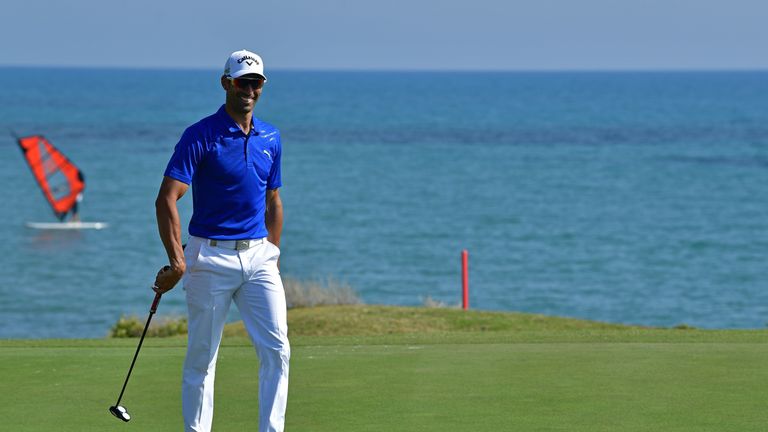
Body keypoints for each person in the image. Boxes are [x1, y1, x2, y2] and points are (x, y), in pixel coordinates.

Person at [153, 49, 289, 432]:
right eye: (242, 81)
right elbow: (167, 198)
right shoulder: (200, 135)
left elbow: (273, 201)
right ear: (226, 82)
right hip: (209, 259)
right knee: (202, 357)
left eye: (256, 82)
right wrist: (178, 261)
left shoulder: (271, 137)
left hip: (259, 257)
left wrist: (273, 254)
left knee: (277, 350)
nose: (249, 89)